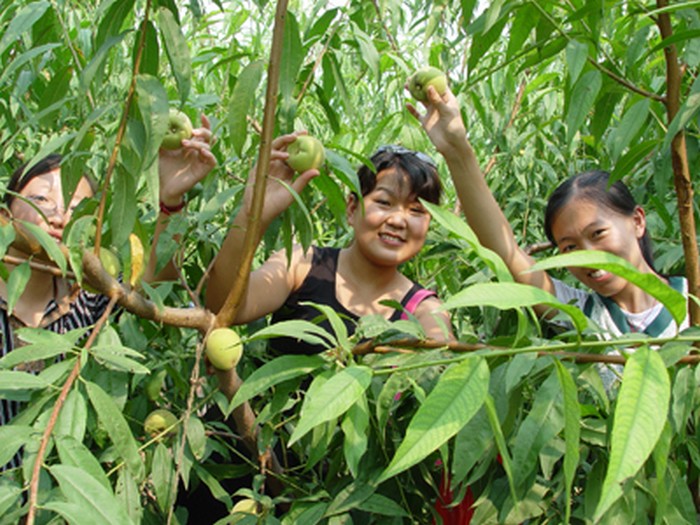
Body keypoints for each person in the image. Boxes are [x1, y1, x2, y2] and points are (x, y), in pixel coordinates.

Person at [0, 115, 216, 470]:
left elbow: (156, 281)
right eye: (42, 199)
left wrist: (171, 198)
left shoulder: (88, 301)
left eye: (76, 208)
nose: (58, 216)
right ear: (5, 215)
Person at [409, 84, 689, 351]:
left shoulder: (692, 301)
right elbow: (505, 251)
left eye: (597, 234)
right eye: (569, 248)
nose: (587, 256)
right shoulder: (580, 315)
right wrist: (457, 150)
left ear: (638, 221)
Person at [205, 132, 453, 354]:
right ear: (352, 208)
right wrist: (252, 214)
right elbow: (224, 307)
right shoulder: (302, 264)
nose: (399, 220)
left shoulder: (425, 311)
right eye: (384, 202)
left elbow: (439, 372)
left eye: (417, 210)